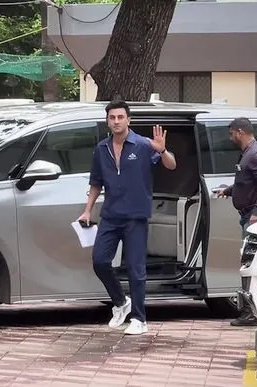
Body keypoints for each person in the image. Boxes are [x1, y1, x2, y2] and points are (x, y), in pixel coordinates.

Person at [78, 100, 177, 335]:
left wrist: (162, 149)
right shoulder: (101, 149)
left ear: (128, 120)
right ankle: (121, 303)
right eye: (112, 118)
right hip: (111, 215)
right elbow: (95, 183)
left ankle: (139, 319)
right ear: (107, 121)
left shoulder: (143, 145)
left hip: (136, 216)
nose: (116, 121)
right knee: (100, 261)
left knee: (135, 268)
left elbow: (172, 165)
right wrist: (87, 210)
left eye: (120, 117)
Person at [214, 117, 257, 327]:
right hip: (246, 214)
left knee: (248, 263)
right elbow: (247, 181)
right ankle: (248, 310)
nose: (230, 138)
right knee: (246, 261)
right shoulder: (249, 153)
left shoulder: (255, 153)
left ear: (239, 132)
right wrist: (230, 191)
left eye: (231, 134)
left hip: (252, 216)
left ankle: (249, 312)